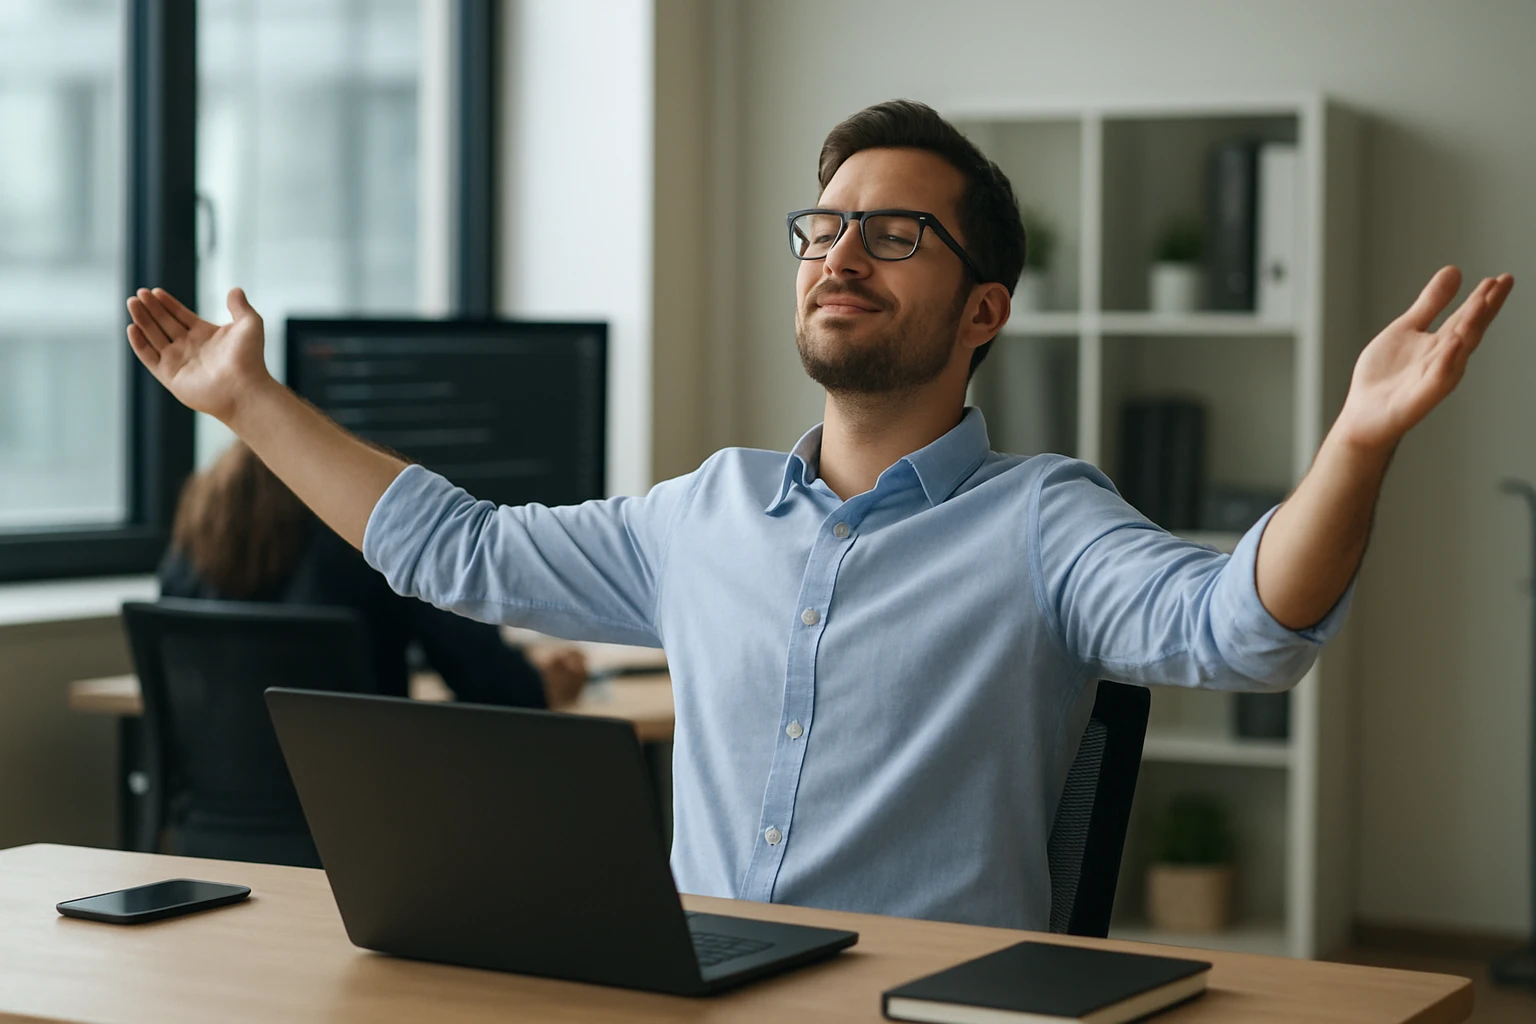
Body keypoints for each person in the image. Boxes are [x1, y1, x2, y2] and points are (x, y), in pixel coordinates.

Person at [123, 99, 1514, 930]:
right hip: (698, 997)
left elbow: (1243, 630)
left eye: (895, 232)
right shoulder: (703, 512)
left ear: (984, 312)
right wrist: (248, 404)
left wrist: (1354, 443)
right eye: (828, 225)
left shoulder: (1041, 521)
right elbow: (457, 549)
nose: (843, 251)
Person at [159, 439, 587, 710]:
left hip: (207, 838)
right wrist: (545, 683)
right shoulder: (365, 545)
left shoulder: (186, 553)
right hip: (360, 826)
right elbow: (493, 688)